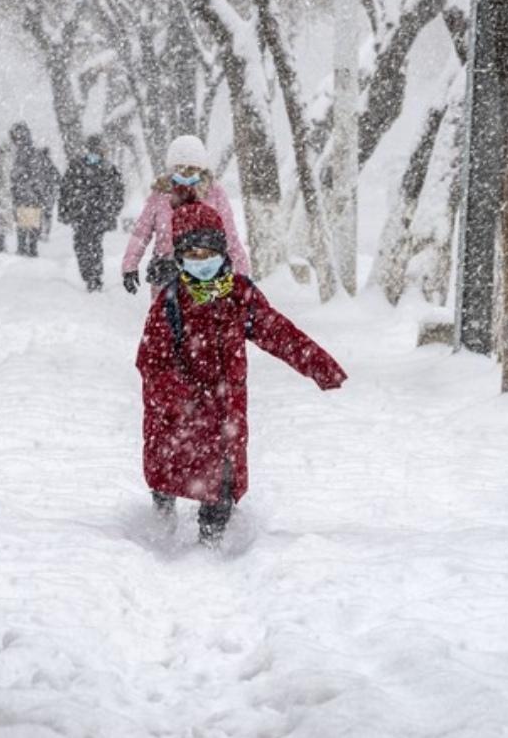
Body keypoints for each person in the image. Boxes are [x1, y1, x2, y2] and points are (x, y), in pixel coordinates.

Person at [136, 196, 346, 547]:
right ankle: (160, 525)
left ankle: (211, 549)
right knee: (170, 470)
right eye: (193, 256)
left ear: (223, 253)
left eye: (209, 254)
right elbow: (151, 362)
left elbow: (277, 331)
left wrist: (319, 365)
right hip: (178, 415)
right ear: (181, 258)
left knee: (220, 485)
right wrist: (180, 399)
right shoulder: (170, 301)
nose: (202, 263)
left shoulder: (238, 295)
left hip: (225, 412)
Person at [122, 134, 249, 297]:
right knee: (166, 319)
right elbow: (141, 234)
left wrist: (242, 275)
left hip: (205, 273)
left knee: (201, 319)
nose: (186, 173)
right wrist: (130, 266)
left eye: (192, 168)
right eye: (180, 167)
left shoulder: (214, 192)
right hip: (166, 272)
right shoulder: (160, 194)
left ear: (201, 169)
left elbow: (230, 236)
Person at [0, 122, 58, 256]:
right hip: (27, 192)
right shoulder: (29, 152)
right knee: (26, 218)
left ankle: (23, 247)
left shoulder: (18, 152)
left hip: (23, 192)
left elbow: (10, 174)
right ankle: (27, 247)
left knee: (24, 218)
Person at [58, 135, 125, 291]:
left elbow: (118, 192)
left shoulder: (107, 169)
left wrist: (112, 209)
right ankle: (90, 274)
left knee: (91, 245)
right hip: (83, 214)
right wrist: (65, 210)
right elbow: (65, 190)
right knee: (85, 245)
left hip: (95, 215)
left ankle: (93, 276)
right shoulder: (77, 167)